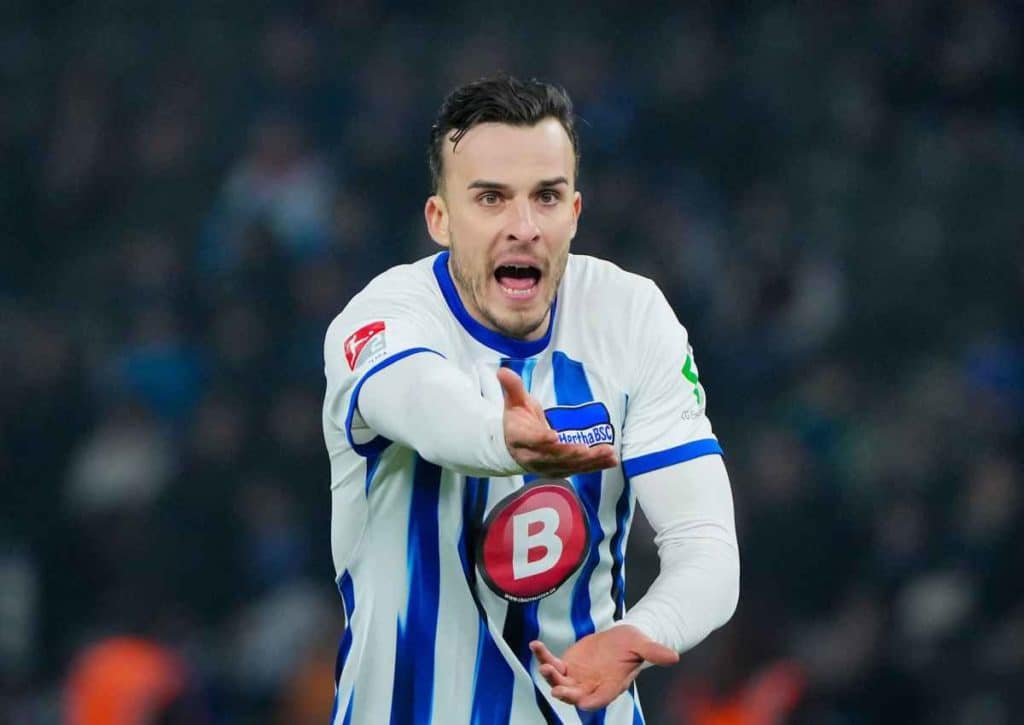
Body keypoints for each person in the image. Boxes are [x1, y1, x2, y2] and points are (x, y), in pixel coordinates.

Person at [322, 74, 739, 725]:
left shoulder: (630, 317)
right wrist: (499, 437)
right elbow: (417, 397)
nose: (523, 228)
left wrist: (644, 630)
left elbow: (705, 544)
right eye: (491, 198)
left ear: (575, 211)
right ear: (440, 219)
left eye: (546, 197)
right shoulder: (383, 319)